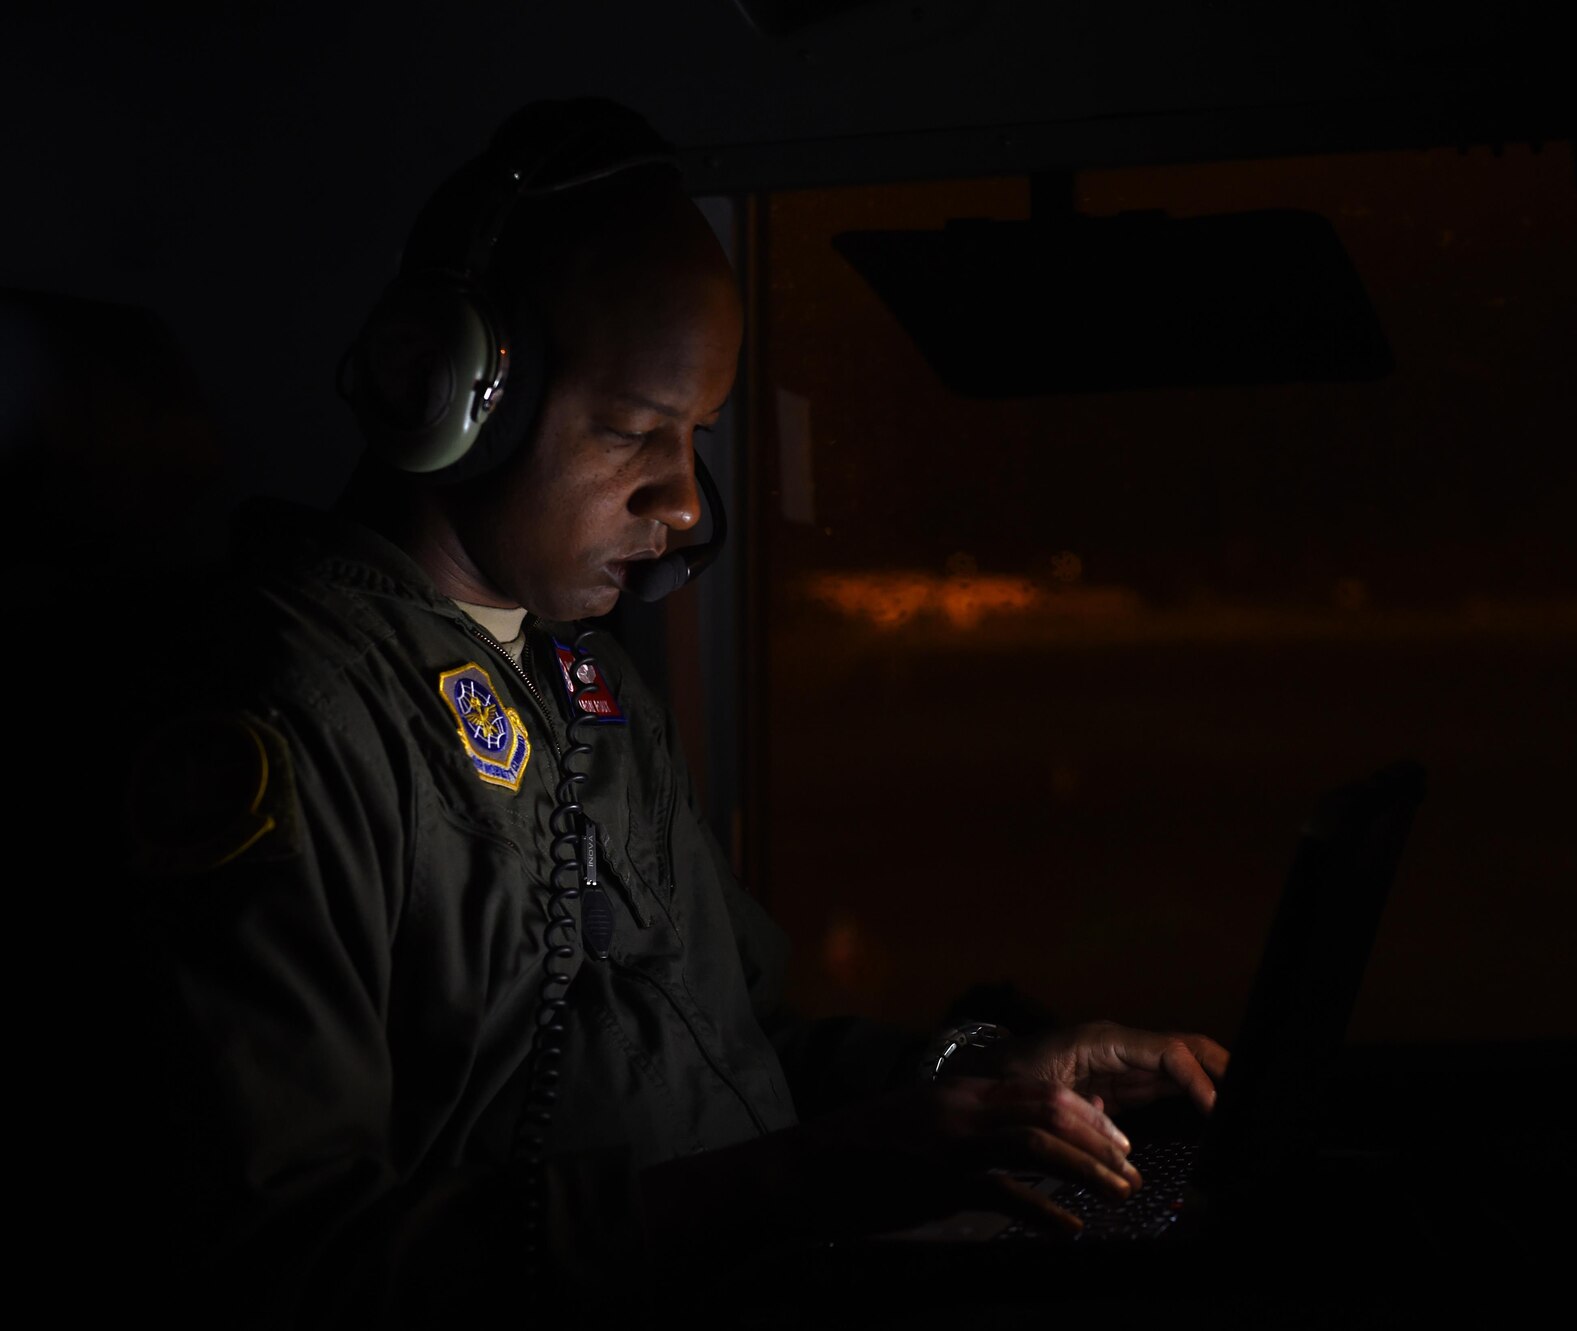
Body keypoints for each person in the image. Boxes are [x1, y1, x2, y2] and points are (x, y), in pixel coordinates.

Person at [118, 98, 1228, 1327]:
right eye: (635, 432)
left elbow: (735, 1039)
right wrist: (798, 1185)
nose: (687, 504)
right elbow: (287, 1262)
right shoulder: (286, 716)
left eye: (698, 435)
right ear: (447, 395)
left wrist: (979, 1083)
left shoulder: (585, 685)